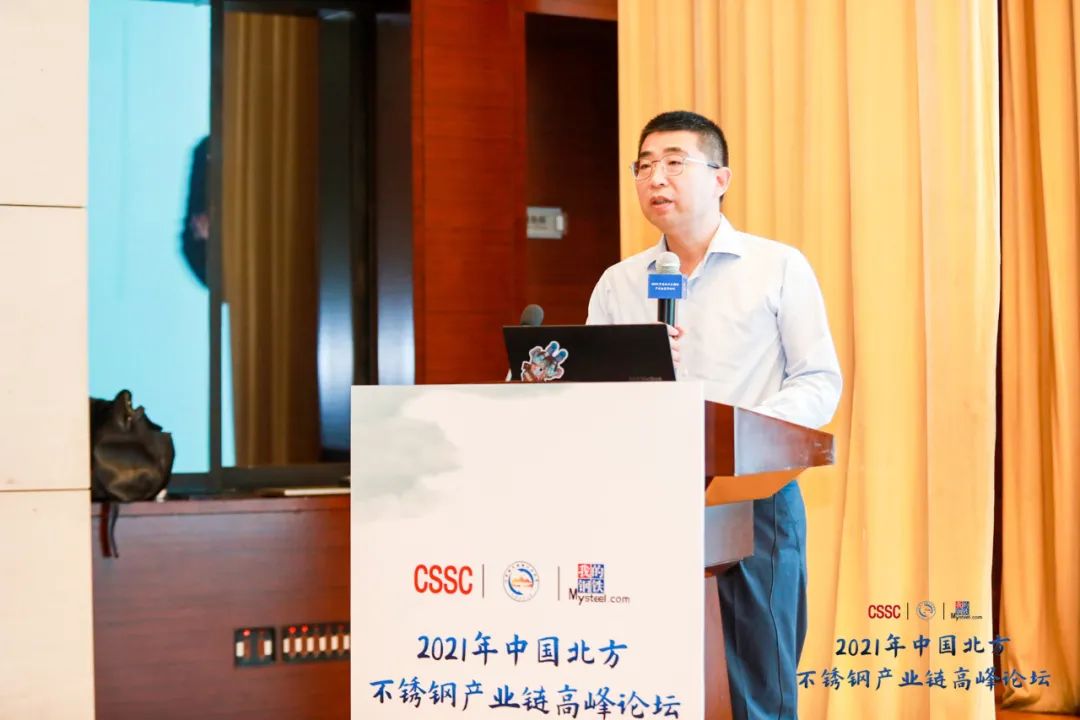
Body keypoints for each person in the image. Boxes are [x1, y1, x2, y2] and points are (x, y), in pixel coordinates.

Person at [587, 110, 842, 720]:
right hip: (651, 494)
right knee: (659, 672)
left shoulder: (776, 267)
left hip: (753, 494)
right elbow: (594, 395)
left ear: (720, 178)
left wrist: (748, 437)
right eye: (644, 166)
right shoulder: (620, 283)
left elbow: (817, 379)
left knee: (758, 676)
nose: (656, 178)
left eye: (675, 162)